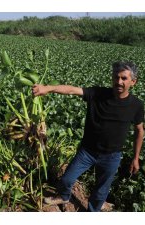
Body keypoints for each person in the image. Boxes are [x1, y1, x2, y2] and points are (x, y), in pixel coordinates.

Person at [32, 61, 144, 212]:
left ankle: (92, 212)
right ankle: (64, 196)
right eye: (116, 77)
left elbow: (139, 130)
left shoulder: (136, 105)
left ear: (133, 82)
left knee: (101, 191)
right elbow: (72, 90)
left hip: (112, 156)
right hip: (87, 152)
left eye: (124, 78)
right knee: (67, 179)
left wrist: (136, 158)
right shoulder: (98, 94)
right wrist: (48, 88)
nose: (119, 82)